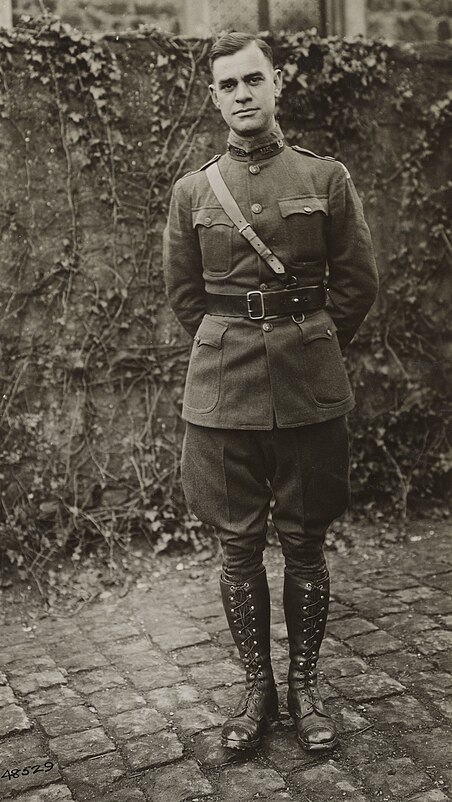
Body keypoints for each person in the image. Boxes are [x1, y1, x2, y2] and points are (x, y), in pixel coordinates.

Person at [163, 32, 378, 753]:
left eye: (254, 79)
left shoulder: (325, 179)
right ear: (214, 96)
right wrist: (234, 345)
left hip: (310, 389)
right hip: (223, 398)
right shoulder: (193, 191)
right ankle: (258, 690)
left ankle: (307, 690)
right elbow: (186, 297)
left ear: (277, 83)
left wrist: (309, 344)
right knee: (236, 549)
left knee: (307, 544)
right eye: (229, 84)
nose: (243, 94)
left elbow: (356, 284)